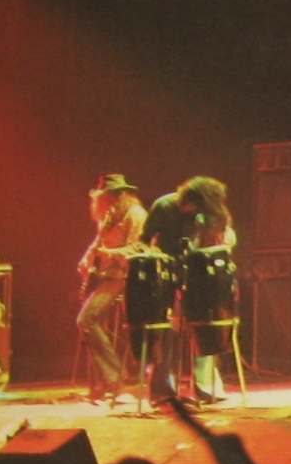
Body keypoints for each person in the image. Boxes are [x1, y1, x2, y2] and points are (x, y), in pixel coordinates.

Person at [142, 175, 240, 407]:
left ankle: (207, 387)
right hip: (167, 271)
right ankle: (162, 388)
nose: (190, 210)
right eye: (188, 206)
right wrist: (155, 256)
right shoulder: (164, 205)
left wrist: (221, 243)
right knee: (165, 330)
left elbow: (227, 236)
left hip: (198, 275)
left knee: (205, 327)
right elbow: (144, 239)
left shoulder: (210, 211)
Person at [75, 173, 144, 405]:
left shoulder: (135, 214)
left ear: (118, 195)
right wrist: (87, 259)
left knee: (87, 320)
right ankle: (100, 386)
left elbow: (139, 248)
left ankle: (116, 381)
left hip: (122, 277)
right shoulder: (109, 217)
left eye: (105, 197)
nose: (100, 202)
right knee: (91, 328)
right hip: (104, 276)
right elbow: (97, 243)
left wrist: (111, 254)